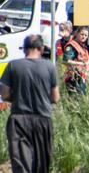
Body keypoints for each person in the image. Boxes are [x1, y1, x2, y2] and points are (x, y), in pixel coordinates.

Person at [1, 35, 60, 173]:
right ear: (41, 48)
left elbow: (4, 94)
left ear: (24, 49)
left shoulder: (13, 65)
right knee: (41, 163)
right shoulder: (49, 66)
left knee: (21, 163)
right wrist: (42, 98)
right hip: (43, 119)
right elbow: (56, 97)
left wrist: (18, 98)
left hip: (19, 119)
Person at [62, 27, 89, 94]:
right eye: (82, 34)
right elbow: (66, 60)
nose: (83, 37)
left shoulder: (83, 47)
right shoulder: (72, 46)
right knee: (75, 99)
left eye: (86, 35)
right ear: (77, 34)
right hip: (74, 78)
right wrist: (81, 64)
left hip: (82, 78)